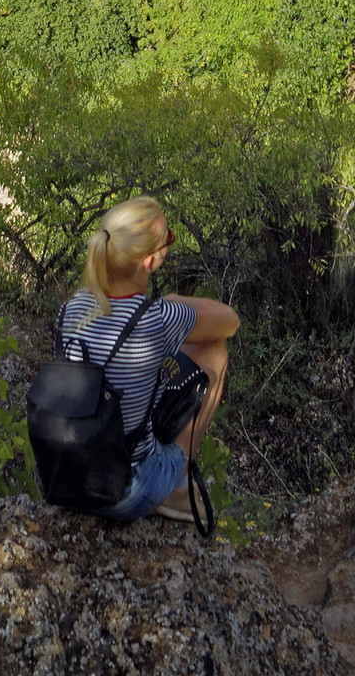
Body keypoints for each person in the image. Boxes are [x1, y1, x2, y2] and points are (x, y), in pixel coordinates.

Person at [56, 194, 238, 523]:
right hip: (123, 492)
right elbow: (230, 321)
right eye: (168, 238)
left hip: (70, 478)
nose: (170, 244)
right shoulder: (157, 318)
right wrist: (174, 299)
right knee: (215, 351)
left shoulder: (71, 309)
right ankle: (178, 485)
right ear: (148, 261)